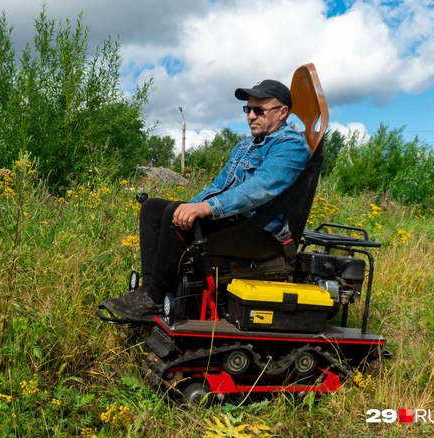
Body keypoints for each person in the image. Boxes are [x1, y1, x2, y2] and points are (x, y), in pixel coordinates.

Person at [102, 79, 310, 319]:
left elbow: (261, 188)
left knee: (174, 213)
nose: (251, 116)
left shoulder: (291, 145)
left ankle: (156, 297)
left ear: (283, 112)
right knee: (153, 208)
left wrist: (206, 208)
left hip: (257, 232)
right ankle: (149, 290)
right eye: (248, 109)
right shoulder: (246, 145)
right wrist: (190, 206)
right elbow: (219, 185)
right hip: (236, 222)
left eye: (259, 110)